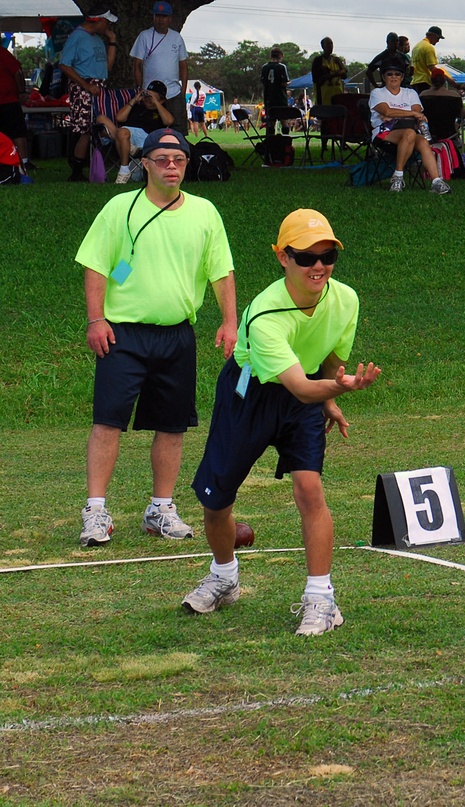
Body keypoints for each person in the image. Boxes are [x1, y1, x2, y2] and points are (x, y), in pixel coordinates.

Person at [181, 209, 380, 636]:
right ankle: (224, 575)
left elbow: (328, 363)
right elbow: (304, 388)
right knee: (216, 501)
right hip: (249, 393)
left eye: (328, 256)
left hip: (302, 392)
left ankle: (321, 598)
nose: (318, 266)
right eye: (306, 256)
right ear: (282, 257)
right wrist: (339, 390)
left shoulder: (346, 299)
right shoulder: (265, 314)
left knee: (310, 488)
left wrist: (331, 393)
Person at [75, 128, 237, 548]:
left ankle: (160, 509)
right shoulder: (118, 208)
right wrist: (96, 320)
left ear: (187, 163)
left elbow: (221, 271)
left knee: (172, 426)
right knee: (107, 421)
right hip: (122, 333)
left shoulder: (204, 212)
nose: (171, 165)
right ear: (144, 162)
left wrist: (229, 321)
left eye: (179, 159)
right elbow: (95, 265)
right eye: (162, 158)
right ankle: (95, 511)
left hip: (176, 336)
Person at [368, 60, 452, 194]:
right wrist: (410, 113)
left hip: (409, 131)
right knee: (410, 133)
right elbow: (387, 111)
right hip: (385, 131)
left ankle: (436, 181)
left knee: (423, 141)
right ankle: (398, 176)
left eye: (397, 74)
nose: (394, 77)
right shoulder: (377, 93)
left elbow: (416, 112)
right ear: (383, 77)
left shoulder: (410, 93)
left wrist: (397, 114)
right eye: (389, 74)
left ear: (402, 77)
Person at [59, 3, 118, 181]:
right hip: (84, 86)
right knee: (85, 128)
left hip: (99, 86)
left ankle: (92, 165)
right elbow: (64, 64)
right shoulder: (77, 37)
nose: (109, 26)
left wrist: (112, 42)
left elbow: (108, 66)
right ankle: (76, 170)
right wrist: (85, 85)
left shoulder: (98, 39)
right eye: (107, 22)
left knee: (97, 126)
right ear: (98, 21)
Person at [130, 1, 189, 135]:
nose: (160, 20)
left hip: (173, 93)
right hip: (151, 94)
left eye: (164, 16)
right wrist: (141, 88)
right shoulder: (144, 36)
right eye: (157, 16)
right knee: (152, 130)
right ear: (153, 17)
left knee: (178, 132)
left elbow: (183, 66)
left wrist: (183, 91)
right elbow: (137, 65)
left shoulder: (176, 37)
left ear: (170, 18)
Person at [112, 79, 174, 183]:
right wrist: (134, 100)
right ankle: (130, 148)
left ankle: (124, 169)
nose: (148, 100)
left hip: (147, 139)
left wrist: (156, 103)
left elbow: (169, 121)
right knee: (103, 120)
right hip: (127, 135)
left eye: (152, 97)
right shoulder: (137, 105)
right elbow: (119, 118)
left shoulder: (162, 109)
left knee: (121, 133)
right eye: (147, 96)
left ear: (162, 100)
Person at [0, 38, 31, 176]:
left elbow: (17, 72)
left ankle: (23, 162)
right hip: (8, 100)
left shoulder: (2, 53)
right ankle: (21, 162)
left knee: (16, 131)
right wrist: (21, 92)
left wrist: (20, 92)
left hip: (8, 100)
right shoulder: (3, 53)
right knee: (17, 131)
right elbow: (17, 72)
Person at [412, 26, 457, 94]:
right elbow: (432, 68)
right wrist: (449, 79)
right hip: (425, 82)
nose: (438, 41)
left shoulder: (416, 47)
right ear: (432, 35)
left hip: (415, 82)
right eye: (438, 38)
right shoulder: (428, 47)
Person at [261, 47, 290, 135]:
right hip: (280, 99)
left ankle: (271, 142)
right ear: (280, 56)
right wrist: (288, 83)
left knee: (270, 122)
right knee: (284, 121)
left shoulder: (265, 67)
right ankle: (286, 143)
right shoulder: (282, 67)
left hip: (269, 99)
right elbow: (284, 82)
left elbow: (263, 81)